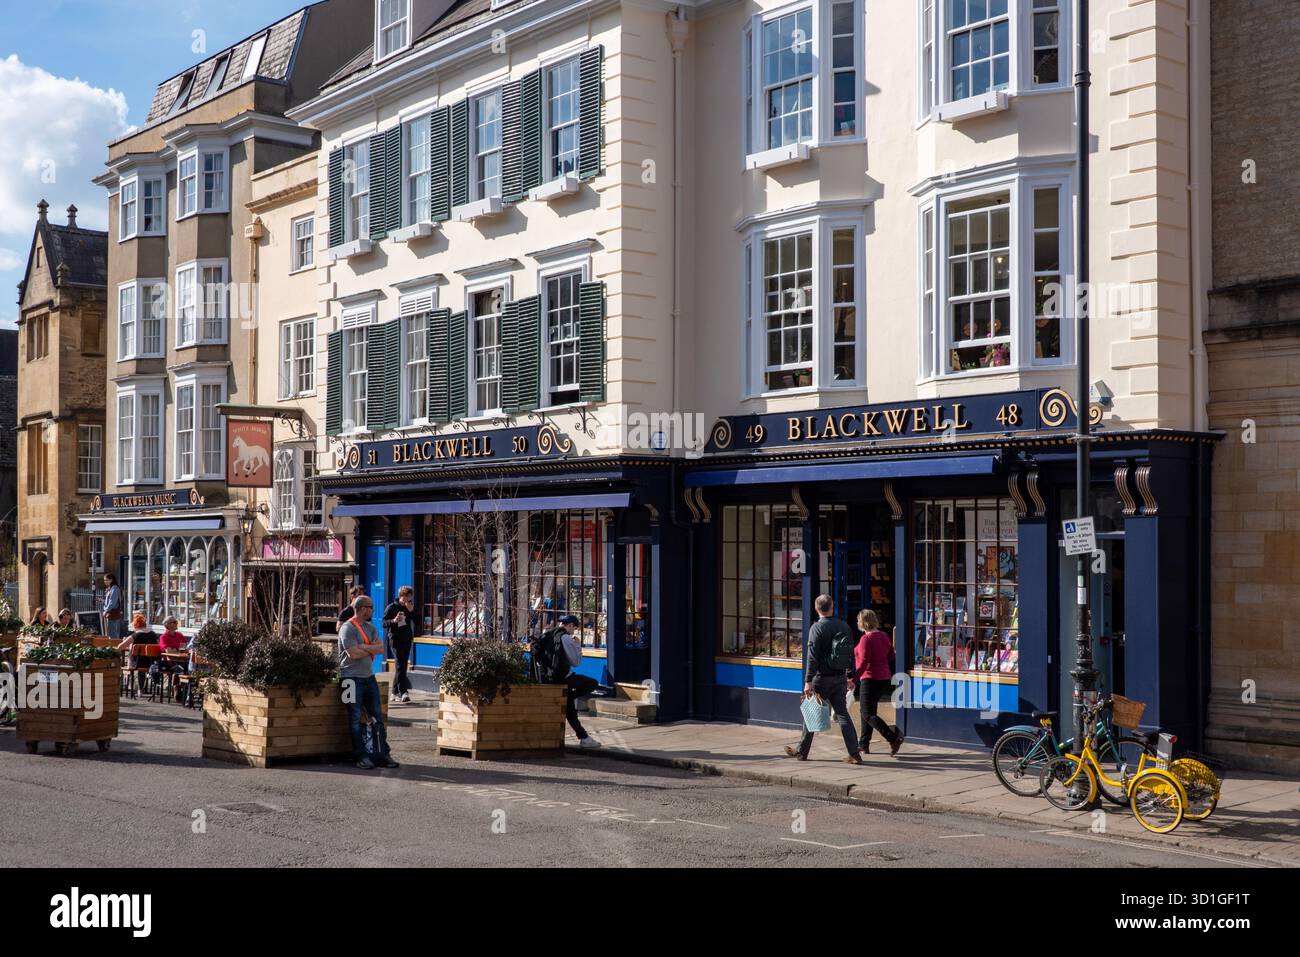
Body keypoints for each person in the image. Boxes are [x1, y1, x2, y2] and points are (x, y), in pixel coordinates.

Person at [785, 595, 862, 764]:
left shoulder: (816, 628)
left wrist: (808, 680)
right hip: (840, 678)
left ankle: (802, 751)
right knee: (842, 714)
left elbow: (812, 657)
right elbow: (850, 654)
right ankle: (854, 753)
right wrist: (849, 675)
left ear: (816, 608)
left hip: (822, 678)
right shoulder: (844, 626)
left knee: (811, 713)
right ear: (832, 607)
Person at [338, 596, 399, 770]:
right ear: (363, 608)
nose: (373, 610)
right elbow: (352, 654)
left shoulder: (370, 627)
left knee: (377, 717)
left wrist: (362, 647)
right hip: (349, 678)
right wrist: (367, 648)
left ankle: (382, 754)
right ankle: (361, 756)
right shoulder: (347, 628)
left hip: (368, 677)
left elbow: (380, 648)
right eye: (371, 607)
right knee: (355, 718)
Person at [536, 614, 602, 749]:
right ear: (570, 625)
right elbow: (576, 662)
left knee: (569, 710)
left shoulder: (548, 635)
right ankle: (570, 697)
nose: (574, 631)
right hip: (564, 677)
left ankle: (584, 738)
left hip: (550, 679)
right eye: (575, 628)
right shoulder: (565, 638)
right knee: (593, 683)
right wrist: (577, 646)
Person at [852, 610, 904, 756]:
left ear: (863, 622)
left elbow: (862, 663)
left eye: (858, 620)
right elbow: (891, 655)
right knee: (868, 712)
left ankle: (892, 738)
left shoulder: (866, 640)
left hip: (869, 678)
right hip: (884, 678)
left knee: (867, 714)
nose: (857, 623)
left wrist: (853, 679)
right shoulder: (883, 635)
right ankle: (863, 745)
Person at [382, 585, 415, 704]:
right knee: (400, 665)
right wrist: (394, 621)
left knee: (402, 665)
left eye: (410, 598)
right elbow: (384, 623)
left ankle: (394, 692)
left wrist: (411, 611)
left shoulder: (409, 607)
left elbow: (416, 621)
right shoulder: (391, 607)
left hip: (406, 639)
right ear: (402, 596)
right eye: (408, 597)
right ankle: (403, 692)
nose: (409, 600)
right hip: (395, 640)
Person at [116, 613, 158, 695]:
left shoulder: (136, 635)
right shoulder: (153, 634)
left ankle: (132, 686)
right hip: (151, 662)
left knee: (133, 660)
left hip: (136, 663)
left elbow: (121, 647)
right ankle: (141, 688)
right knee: (142, 663)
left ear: (136, 625)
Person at [102, 573, 124, 640]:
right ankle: (115, 648)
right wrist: (103, 601)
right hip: (113, 613)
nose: (105, 582)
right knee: (114, 634)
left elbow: (112, 602)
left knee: (112, 635)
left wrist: (106, 611)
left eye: (107, 580)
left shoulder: (114, 588)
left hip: (112, 614)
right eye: (104, 580)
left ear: (111, 580)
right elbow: (112, 601)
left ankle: (114, 648)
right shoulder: (112, 588)